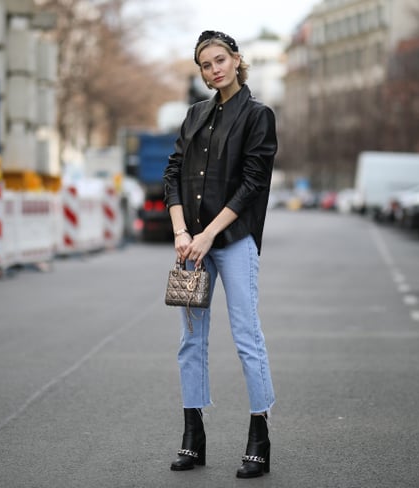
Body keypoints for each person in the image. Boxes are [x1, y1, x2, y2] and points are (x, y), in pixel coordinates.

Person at [163, 30, 277, 479]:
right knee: (191, 340)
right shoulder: (193, 115)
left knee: (247, 337)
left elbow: (253, 183)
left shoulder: (258, 116)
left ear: (235, 59)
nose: (214, 70)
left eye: (220, 60)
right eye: (206, 65)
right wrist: (180, 232)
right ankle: (193, 436)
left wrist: (207, 234)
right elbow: (173, 173)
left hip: (232, 241)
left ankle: (259, 434)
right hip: (191, 244)